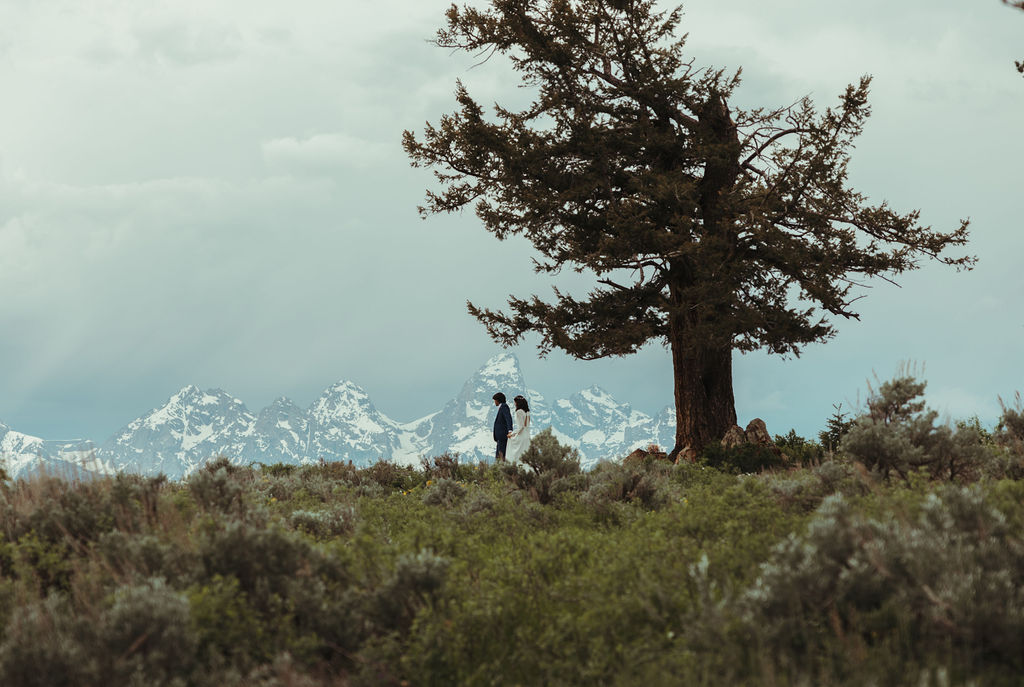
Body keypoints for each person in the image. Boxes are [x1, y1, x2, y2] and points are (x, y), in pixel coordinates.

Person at [506, 395, 531, 462]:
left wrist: (511, 434)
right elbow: (526, 425)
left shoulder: (519, 412)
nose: (514, 404)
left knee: (515, 453)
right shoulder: (527, 412)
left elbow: (521, 427)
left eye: (515, 402)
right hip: (527, 435)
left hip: (522, 436)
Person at [492, 392, 513, 462]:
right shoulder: (501, 407)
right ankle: (498, 469)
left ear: (498, 400)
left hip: (502, 436)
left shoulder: (504, 407)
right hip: (500, 437)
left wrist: (510, 430)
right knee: (499, 455)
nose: (494, 402)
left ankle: (500, 469)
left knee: (501, 455)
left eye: (495, 400)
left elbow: (508, 418)